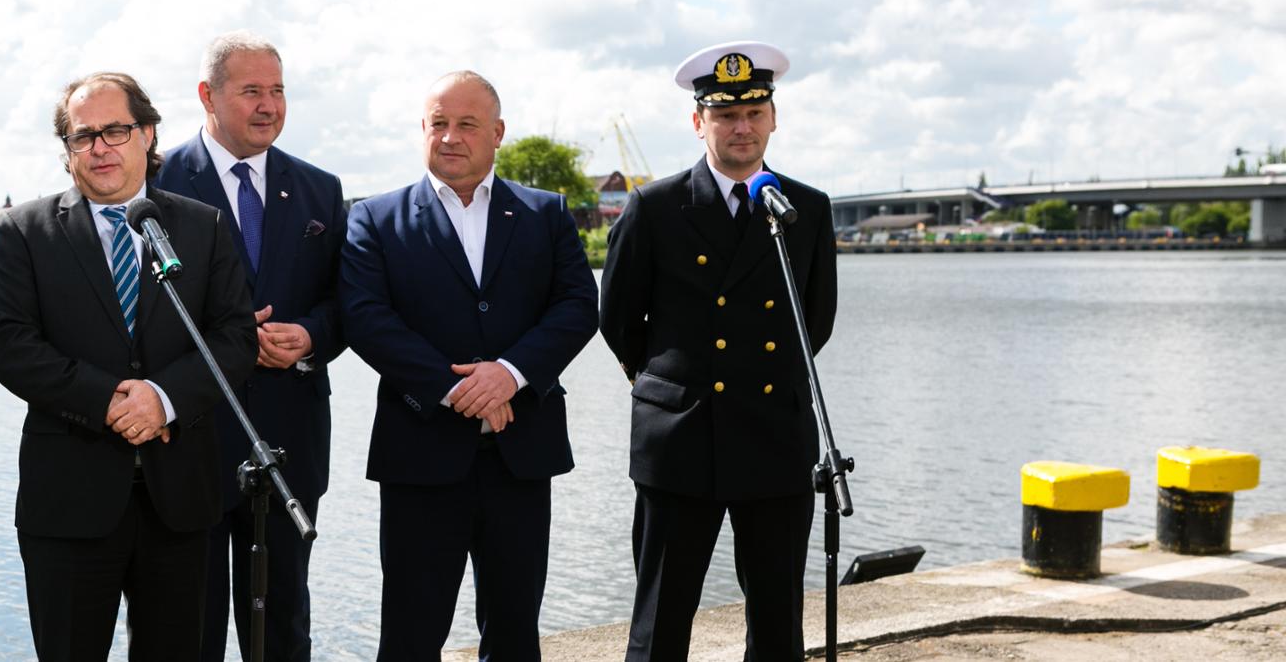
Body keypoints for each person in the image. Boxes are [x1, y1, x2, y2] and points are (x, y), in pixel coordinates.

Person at [0, 71, 257, 660]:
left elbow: (233, 337)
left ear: (148, 135)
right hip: (68, 501)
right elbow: (9, 346)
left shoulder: (201, 226)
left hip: (179, 499)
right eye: (83, 136)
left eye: (116, 131)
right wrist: (108, 402)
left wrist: (164, 399)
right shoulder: (24, 232)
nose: (100, 147)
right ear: (67, 150)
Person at [340, 71, 599, 661]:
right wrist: (457, 390)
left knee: (514, 633)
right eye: (438, 123)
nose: (450, 137)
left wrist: (509, 374)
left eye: (467, 124)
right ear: (422, 128)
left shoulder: (545, 213)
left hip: (521, 455)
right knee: (409, 635)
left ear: (498, 133)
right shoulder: (375, 217)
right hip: (420, 453)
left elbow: (578, 305)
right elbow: (366, 319)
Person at [598, 41, 837, 661]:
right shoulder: (654, 207)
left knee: (778, 623)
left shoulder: (805, 209)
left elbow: (815, 321)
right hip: (681, 436)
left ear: (774, 119)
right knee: (661, 620)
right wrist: (670, 385)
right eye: (726, 115)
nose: (742, 127)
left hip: (774, 433)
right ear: (698, 121)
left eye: (755, 113)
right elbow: (617, 318)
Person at [154, 32, 345, 662]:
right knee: (189, 628)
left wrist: (311, 335)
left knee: (283, 625)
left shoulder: (319, 188)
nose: (269, 106)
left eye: (278, 90)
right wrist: (230, 339)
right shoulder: (154, 182)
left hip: (289, 439)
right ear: (207, 96)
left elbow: (348, 302)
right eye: (252, 91)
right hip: (191, 439)